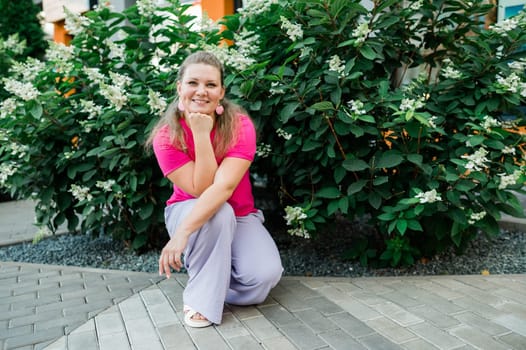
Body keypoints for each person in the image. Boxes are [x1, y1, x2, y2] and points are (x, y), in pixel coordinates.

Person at [146, 51, 283, 328]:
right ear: (179, 88)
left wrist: (182, 236)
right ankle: (200, 300)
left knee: (263, 277)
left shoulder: (239, 124)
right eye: (193, 83)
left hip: (241, 213)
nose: (201, 91)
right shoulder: (166, 135)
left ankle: (213, 282)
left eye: (210, 85)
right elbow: (200, 189)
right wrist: (198, 132)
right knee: (218, 213)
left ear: (221, 91)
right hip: (189, 210)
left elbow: (223, 187)